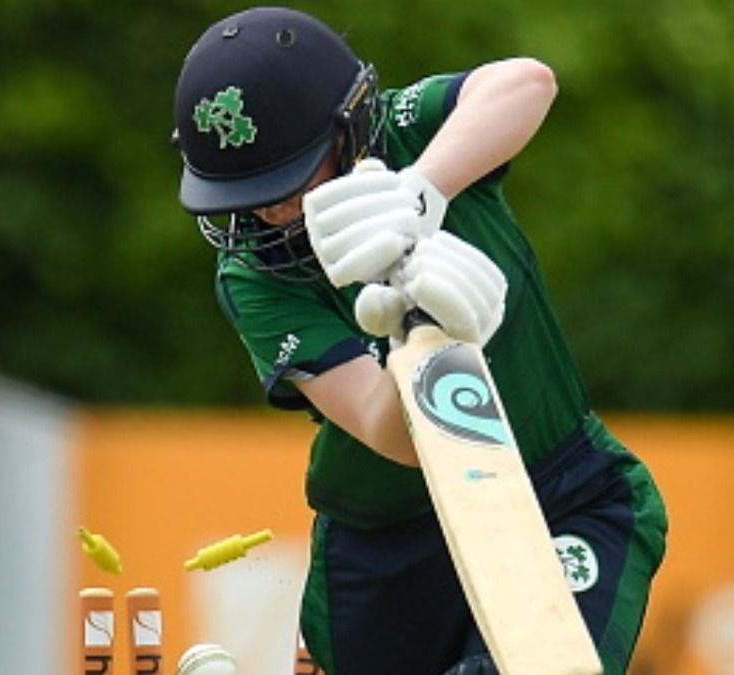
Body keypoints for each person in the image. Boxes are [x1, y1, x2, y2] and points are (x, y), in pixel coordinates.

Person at [172, 7, 667, 674]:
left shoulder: (407, 131)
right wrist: (447, 348)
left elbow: (528, 82)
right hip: (385, 543)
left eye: (285, 180)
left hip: (560, 491)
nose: (270, 211)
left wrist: (422, 193)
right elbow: (389, 430)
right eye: (248, 193)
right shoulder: (253, 276)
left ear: (346, 128)